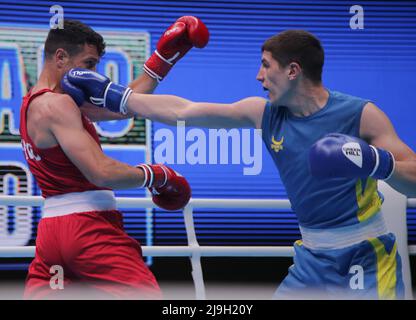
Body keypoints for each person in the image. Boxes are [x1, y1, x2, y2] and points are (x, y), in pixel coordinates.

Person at [61, 29, 416, 299]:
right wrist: (120, 98)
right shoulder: (263, 113)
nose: (258, 77)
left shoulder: (361, 115)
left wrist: (377, 163)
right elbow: (184, 111)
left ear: (292, 71)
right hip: (312, 260)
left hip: (367, 258)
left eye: (265, 66)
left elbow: (413, 178)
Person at [20, 17, 209, 299]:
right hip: (87, 229)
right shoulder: (58, 105)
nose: (93, 74)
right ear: (60, 57)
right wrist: (156, 175)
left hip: (51, 234)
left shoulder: (37, 102)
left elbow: (124, 107)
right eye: (89, 64)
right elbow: (101, 172)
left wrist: (163, 58)